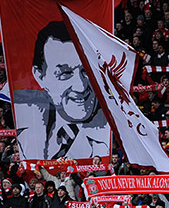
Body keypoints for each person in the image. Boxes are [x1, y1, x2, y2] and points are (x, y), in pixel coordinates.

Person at [12, 20, 109, 160]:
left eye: (86, 71)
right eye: (65, 73)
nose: (81, 87)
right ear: (40, 76)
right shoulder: (26, 119)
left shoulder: (113, 131)